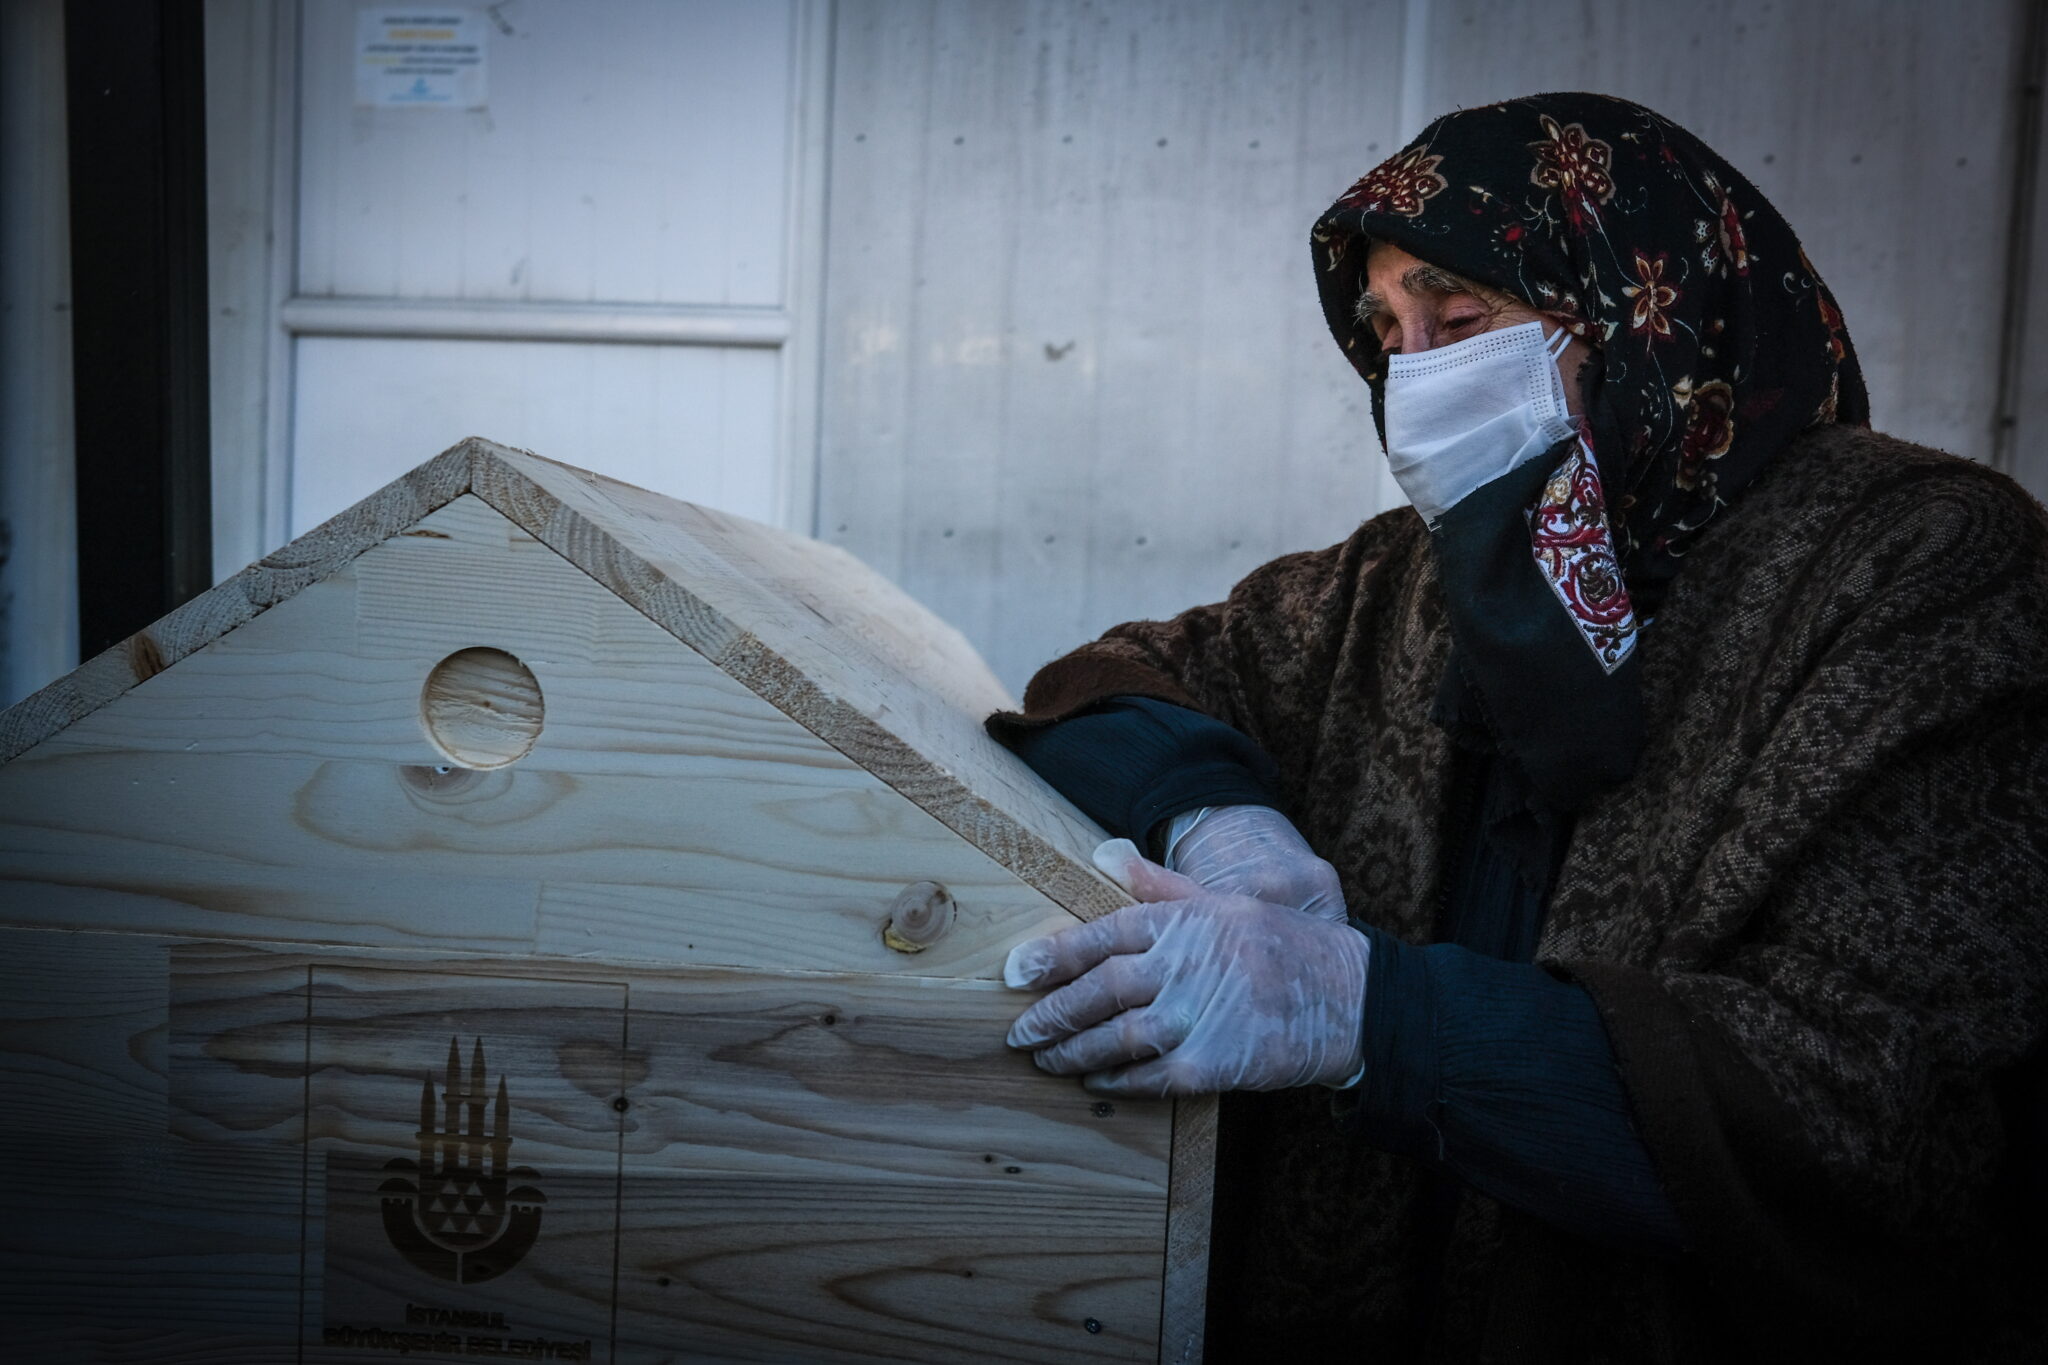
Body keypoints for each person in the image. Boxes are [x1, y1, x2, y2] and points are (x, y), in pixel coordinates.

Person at [986, 92, 2048, 1360]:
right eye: (1386, 331)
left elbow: (1868, 1113)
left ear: (1643, 314)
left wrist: (1360, 1014)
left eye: (1460, 318)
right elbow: (1105, 686)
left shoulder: (1923, 567)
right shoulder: (1415, 574)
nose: (1415, 376)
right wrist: (1215, 814)